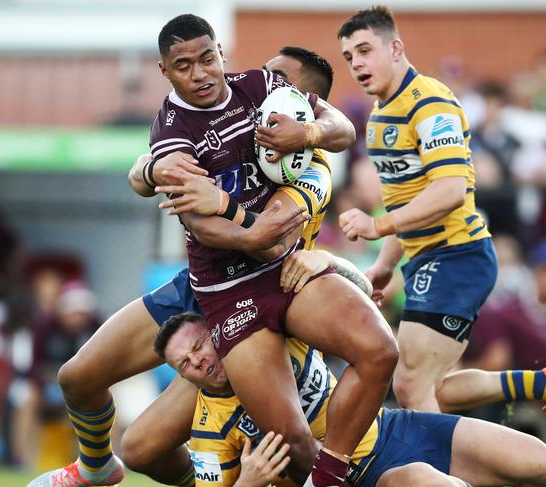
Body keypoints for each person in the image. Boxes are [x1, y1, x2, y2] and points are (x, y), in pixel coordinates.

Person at [27, 37, 387, 487]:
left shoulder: (312, 170)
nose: (258, 90)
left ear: (303, 106)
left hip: (255, 303)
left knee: (279, 445)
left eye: (280, 83)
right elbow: (145, 171)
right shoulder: (225, 129)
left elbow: (267, 244)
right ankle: (95, 470)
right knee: (79, 379)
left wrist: (219, 202)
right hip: (199, 286)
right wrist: (151, 171)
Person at [337, 6, 546, 441]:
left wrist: (377, 227)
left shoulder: (431, 102)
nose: (357, 63)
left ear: (396, 47)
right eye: (349, 57)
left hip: (458, 256)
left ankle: (450, 472)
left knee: (410, 385)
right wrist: (383, 265)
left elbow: (450, 190)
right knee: (428, 386)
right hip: (426, 261)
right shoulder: (380, 120)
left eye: (365, 50)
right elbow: (409, 201)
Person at [154, 311, 546, 487]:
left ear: (217, 330)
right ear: (180, 376)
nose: (199, 361)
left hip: (390, 426)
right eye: (184, 363)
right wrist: (249, 480)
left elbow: (349, 289)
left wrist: (318, 265)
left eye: (200, 345)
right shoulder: (209, 429)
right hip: (357, 475)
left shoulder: (276, 335)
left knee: (541, 465)